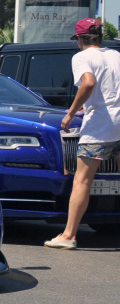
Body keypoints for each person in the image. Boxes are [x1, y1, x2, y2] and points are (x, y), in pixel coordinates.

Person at [44, 18, 120, 249]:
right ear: (99, 36)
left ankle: (68, 236)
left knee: (82, 181)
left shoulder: (82, 57)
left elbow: (88, 83)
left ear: (79, 39)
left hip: (101, 125)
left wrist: (71, 113)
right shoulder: (117, 55)